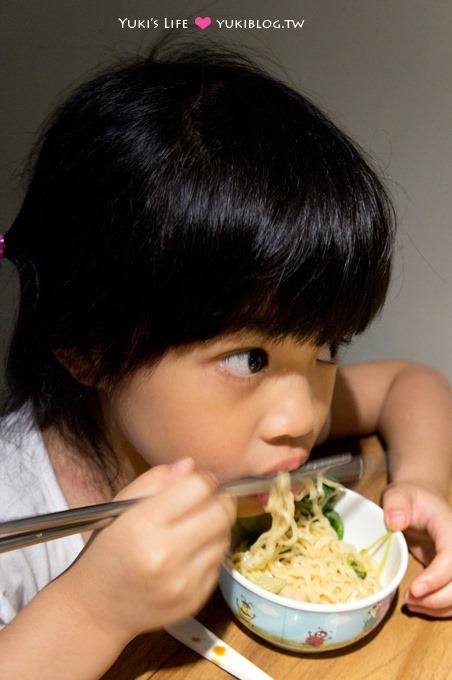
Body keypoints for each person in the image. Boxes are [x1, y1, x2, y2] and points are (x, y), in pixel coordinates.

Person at [0, 43, 451, 677]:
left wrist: (425, 484)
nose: (302, 415)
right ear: (90, 350)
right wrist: (92, 611)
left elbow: (413, 382)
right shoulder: (16, 512)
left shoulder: (271, 420)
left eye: (325, 347)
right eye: (249, 358)